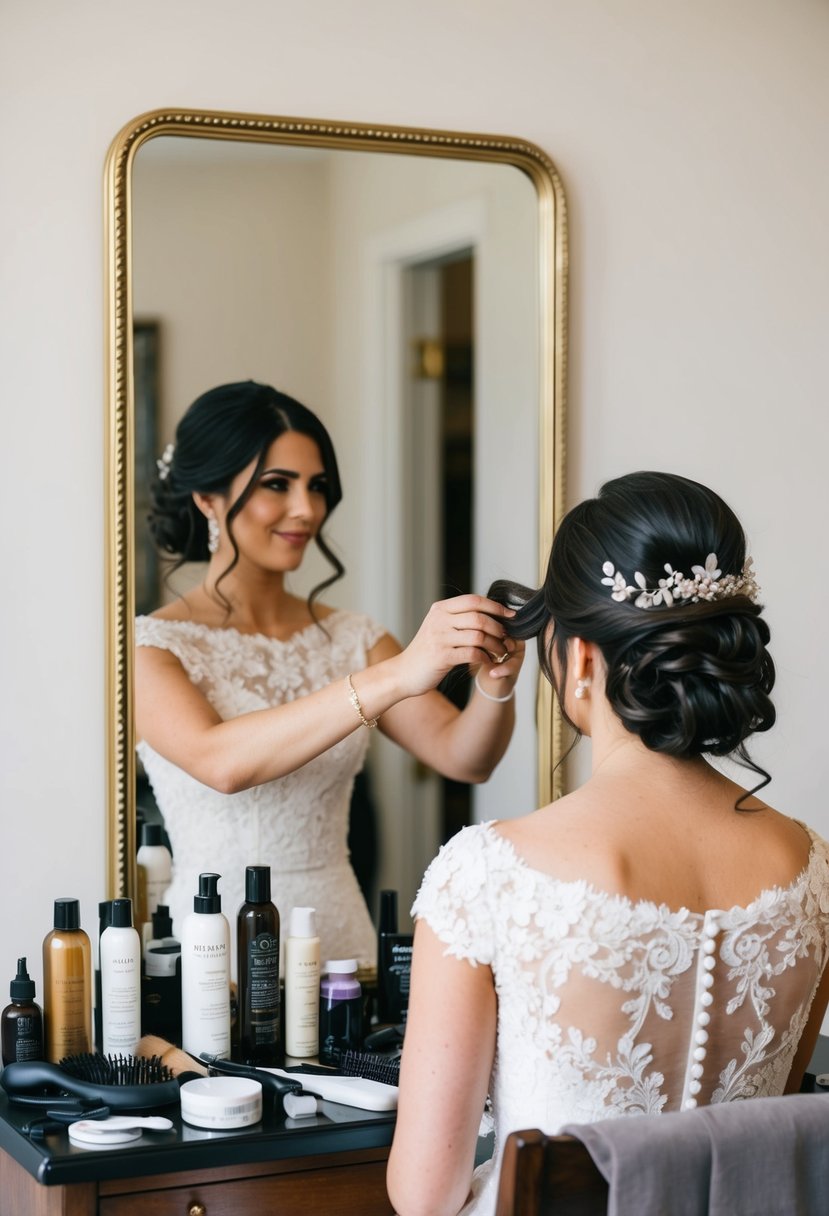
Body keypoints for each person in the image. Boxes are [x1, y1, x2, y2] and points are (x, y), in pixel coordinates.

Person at [387, 471, 829, 1216]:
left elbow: (424, 1197)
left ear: (580, 657)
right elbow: (759, 1142)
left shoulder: (489, 874)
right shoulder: (813, 868)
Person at [135, 381, 523, 972]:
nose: (307, 510)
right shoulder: (150, 647)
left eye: (317, 487)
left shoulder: (354, 637)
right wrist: (398, 675)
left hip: (341, 940)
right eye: (277, 485)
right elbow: (222, 763)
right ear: (208, 498)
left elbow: (464, 758)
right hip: (220, 952)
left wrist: (496, 684)